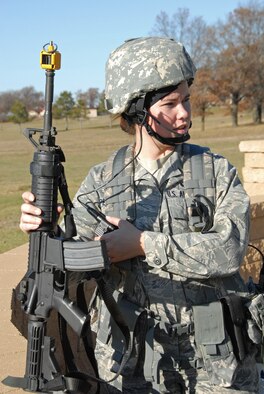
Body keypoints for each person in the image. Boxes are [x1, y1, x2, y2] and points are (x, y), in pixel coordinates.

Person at [20, 37, 260, 393]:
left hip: (219, 363)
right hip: (133, 362)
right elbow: (71, 261)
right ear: (134, 111)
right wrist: (45, 228)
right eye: (170, 103)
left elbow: (229, 250)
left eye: (187, 100)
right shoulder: (102, 182)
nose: (184, 113)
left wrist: (144, 244)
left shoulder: (215, 172)